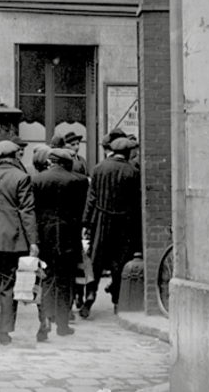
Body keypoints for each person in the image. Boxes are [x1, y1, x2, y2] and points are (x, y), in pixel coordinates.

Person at [0, 139, 39, 345]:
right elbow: (27, 211)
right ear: (14, 157)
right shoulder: (22, 177)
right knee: (8, 282)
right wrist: (33, 241)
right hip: (15, 239)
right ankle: (4, 330)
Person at [80, 128, 141, 318]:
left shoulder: (99, 169)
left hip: (100, 221)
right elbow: (135, 202)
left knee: (95, 261)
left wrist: (86, 223)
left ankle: (89, 297)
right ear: (128, 152)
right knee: (119, 262)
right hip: (124, 223)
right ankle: (117, 302)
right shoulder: (132, 171)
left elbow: (91, 199)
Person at [31, 148, 87, 341]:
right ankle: (63, 324)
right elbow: (81, 212)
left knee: (47, 278)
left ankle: (45, 319)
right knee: (66, 280)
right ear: (67, 163)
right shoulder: (78, 181)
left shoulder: (37, 180)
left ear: (50, 161)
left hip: (45, 237)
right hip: (69, 237)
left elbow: (34, 211)